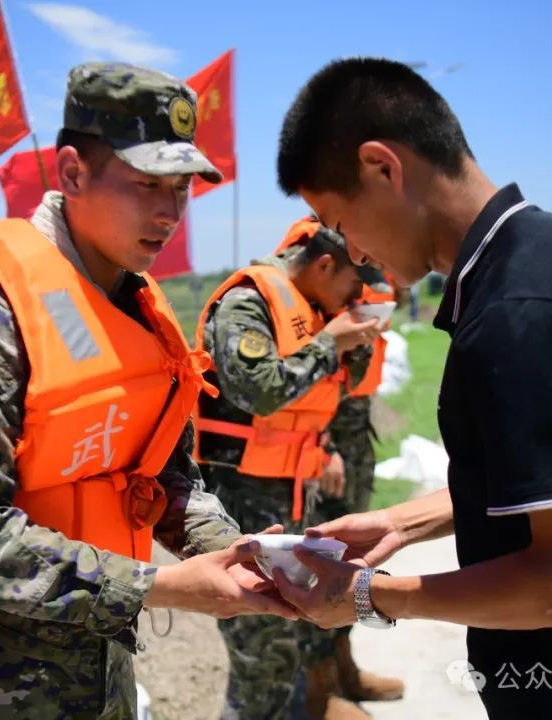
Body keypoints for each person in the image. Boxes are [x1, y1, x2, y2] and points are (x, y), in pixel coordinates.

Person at [272, 57, 552, 719]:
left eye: (339, 222)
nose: (354, 252)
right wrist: (400, 522)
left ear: (383, 168)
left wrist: (370, 595)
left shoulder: (521, 315)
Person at [0, 62, 295, 720]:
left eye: (181, 188)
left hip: (100, 664)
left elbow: (164, 477)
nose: (169, 212)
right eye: (146, 184)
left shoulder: (137, 308)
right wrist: (162, 586)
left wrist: (236, 552)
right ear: (72, 172)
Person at [193, 218, 381, 719]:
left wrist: (352, 342)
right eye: (351, 284)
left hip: (295, 494)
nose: (353, 298)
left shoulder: (319, 309)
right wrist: (330, 345)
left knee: (289, 641)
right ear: (324, 265)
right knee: (262, 656)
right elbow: (258, 390)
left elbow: (333, 393)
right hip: (243, 503)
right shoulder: (247, 303)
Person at [297, 271, 406, 710]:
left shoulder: (373, 266)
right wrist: (321, 445)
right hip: (325, 446)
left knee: (353, 559)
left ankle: (345, 668)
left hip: (356, 438)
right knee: (321, 564)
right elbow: (304, 367)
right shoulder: (329, 271)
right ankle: (320, 690)